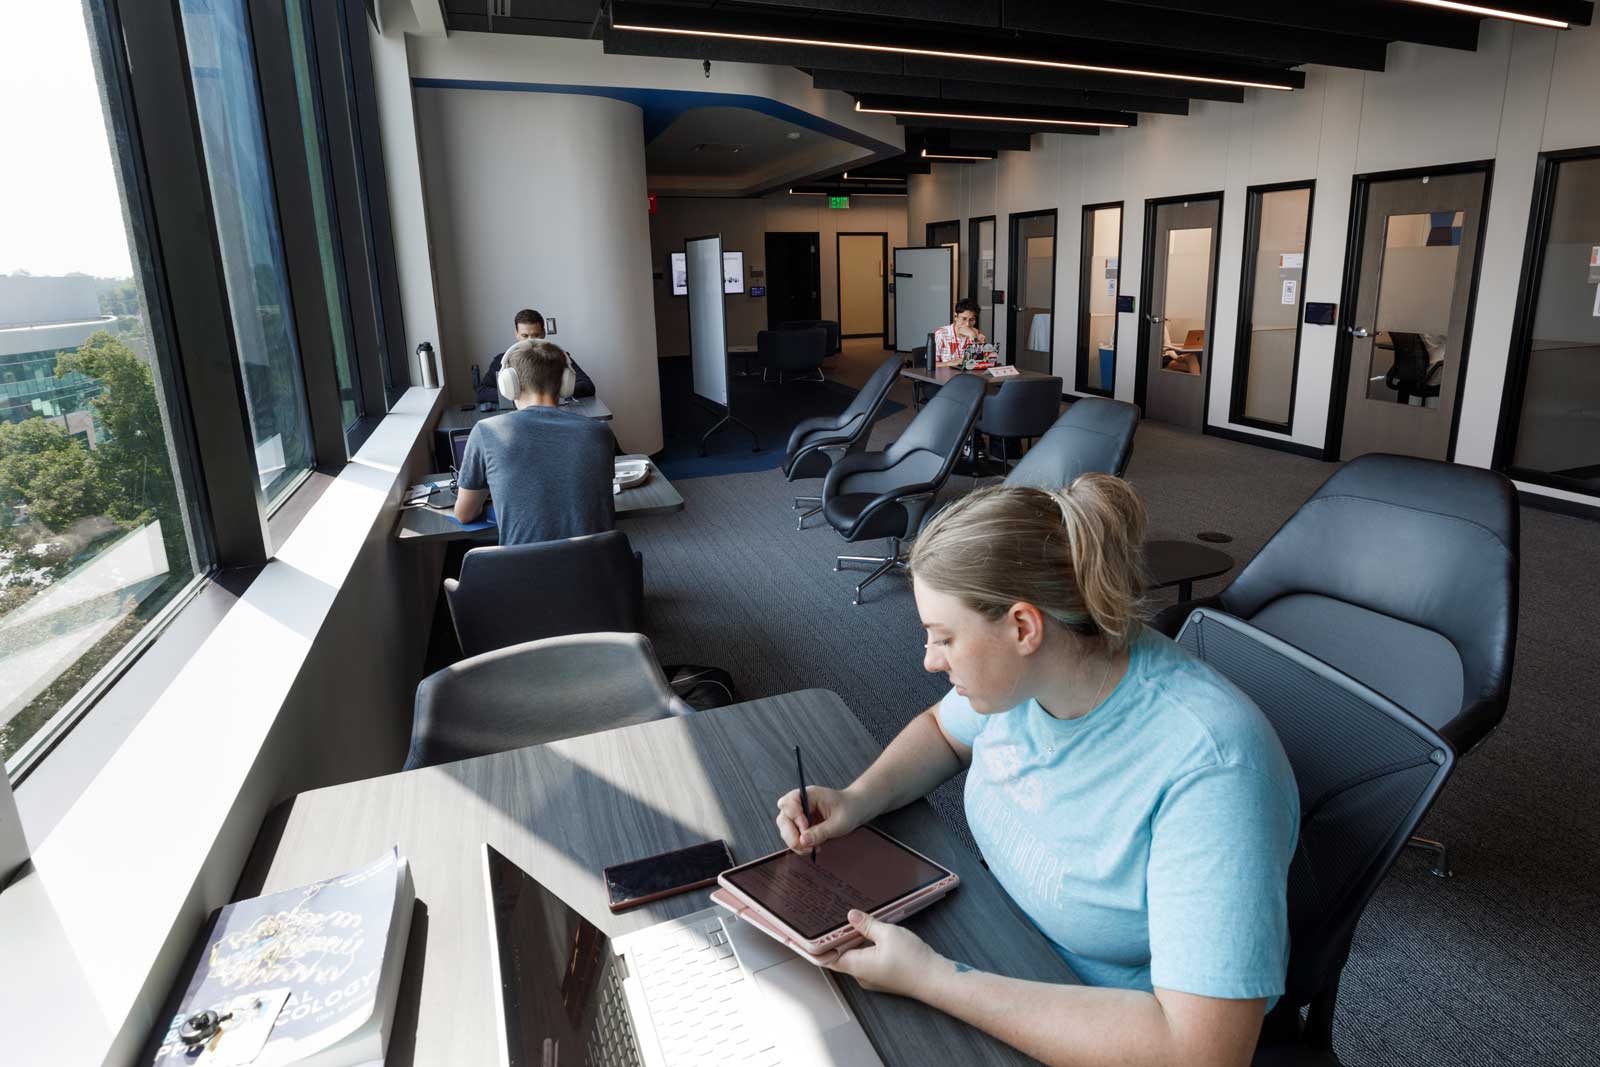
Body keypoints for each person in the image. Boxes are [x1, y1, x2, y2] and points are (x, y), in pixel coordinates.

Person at [774, 478, 1299, 1067]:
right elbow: (942, 735)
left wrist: (935, 981)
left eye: (945, 637)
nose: (928, 660)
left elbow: (1201, 1052)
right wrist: (857, 799)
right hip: (995, 944)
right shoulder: (1030, 678)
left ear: (1024, 627)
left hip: (1102, 1028)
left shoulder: (1212, 771)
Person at [454, 339, 614, 545]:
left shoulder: (486, 433)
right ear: (566, 383)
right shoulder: (599, 432)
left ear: (509, 385)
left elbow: (464, 514)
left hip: (524, 573)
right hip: (598, 570)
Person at [475, 308, 595, 406]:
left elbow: (587, 386)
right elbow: (481, 392)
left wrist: (554, 392)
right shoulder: (502, 361)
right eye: (524, 335)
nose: (530, 341)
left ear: (543, 333)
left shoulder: (559, 357)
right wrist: (514, 393)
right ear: (516, 334)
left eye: (535, 335)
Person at [931, 298, 988, 367]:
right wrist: (949, 364)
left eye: (971, 320)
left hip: (967, 375)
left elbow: (983, 361)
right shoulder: (940, 334)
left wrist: (973, 337)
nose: (967, 324)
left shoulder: (975, 333)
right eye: (964, 319)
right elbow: (929, 363)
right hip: (944, 376)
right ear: (955, 316)